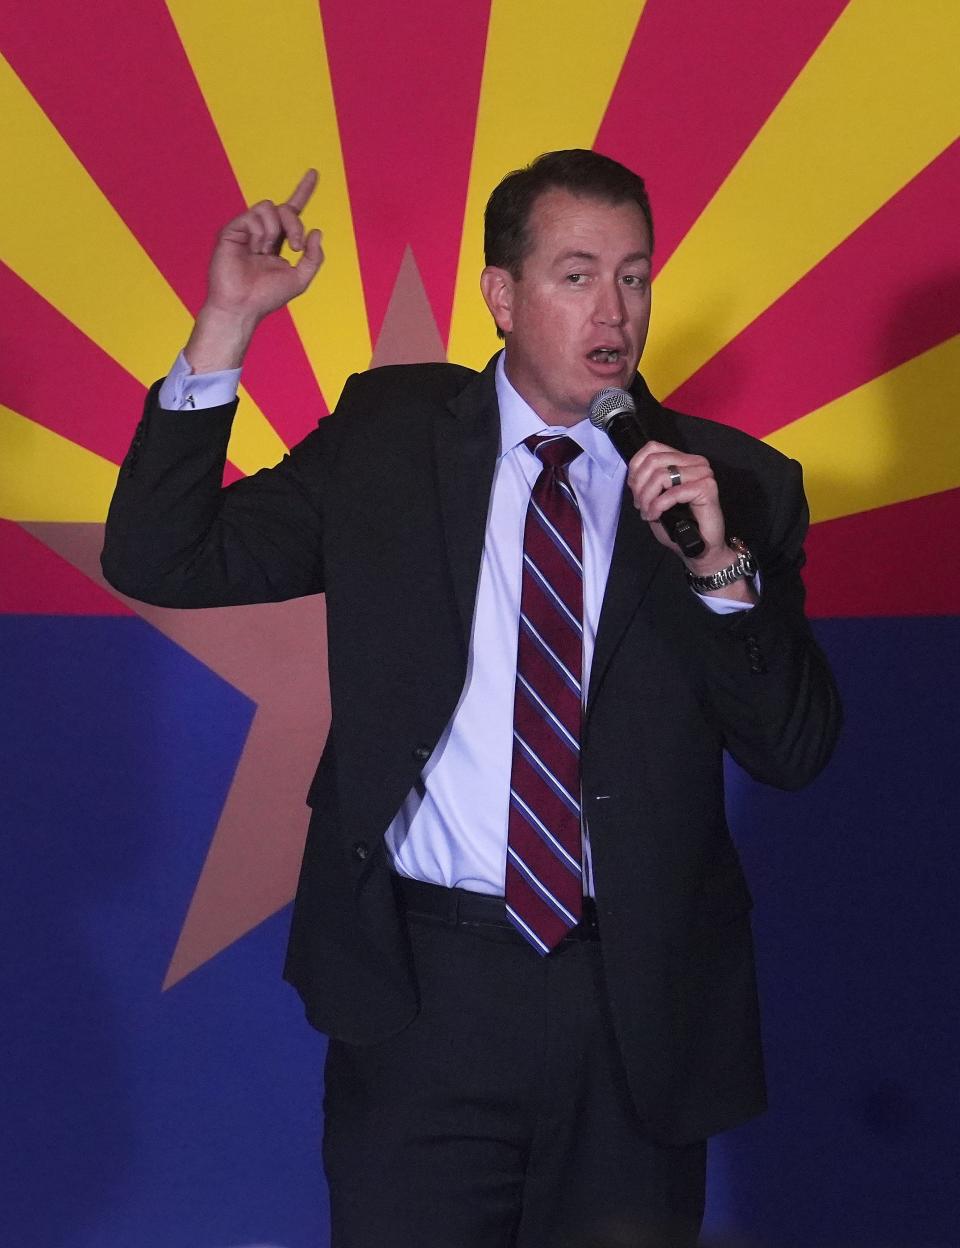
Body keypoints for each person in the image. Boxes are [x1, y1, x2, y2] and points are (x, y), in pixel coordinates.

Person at [102, 149, 841, 1247]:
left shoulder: (735, 485)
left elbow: (794, 750)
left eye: (635, 276)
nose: (615, 310)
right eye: (578, 274)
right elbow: (164, 556)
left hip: (633, 1003)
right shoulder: (391, 439)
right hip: (424, 991)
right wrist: (226, 327)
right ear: (502, 295)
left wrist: (720, 573)